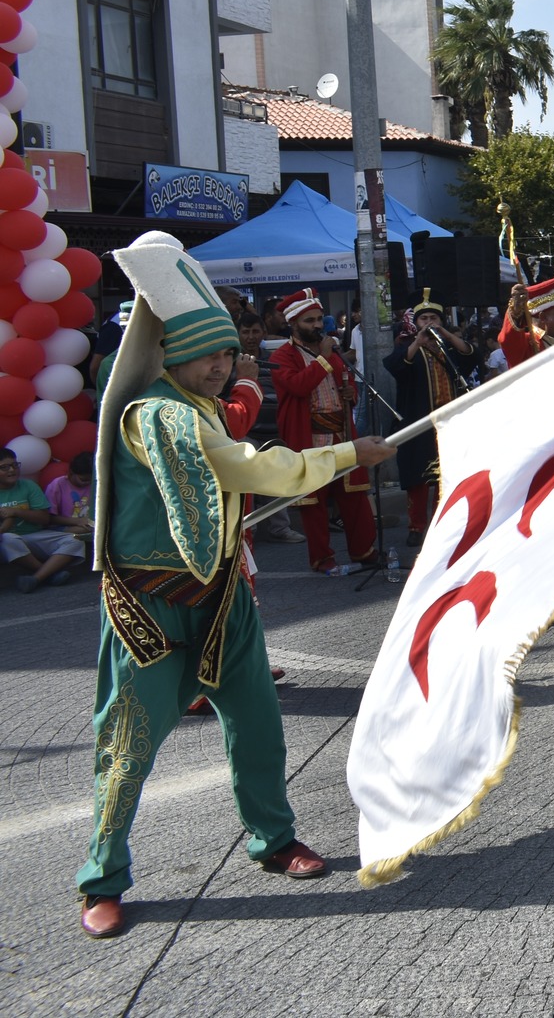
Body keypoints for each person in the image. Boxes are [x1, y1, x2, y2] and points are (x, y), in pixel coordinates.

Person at [76, 234, 395, 938]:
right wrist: (349, 453)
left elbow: (234, 474)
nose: (221, 366)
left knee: (257, 722)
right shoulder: (156, 413)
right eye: (208, 355)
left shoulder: (203, 406)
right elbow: (249, 468)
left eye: (228, 354)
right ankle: (101, 876)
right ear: (168, 354)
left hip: (221, 595)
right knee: (126, 745)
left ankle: (273, 837)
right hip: (147, 605)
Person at [270, 289, 379, 576]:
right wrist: (325, 358)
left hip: (341, 432)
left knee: (354, 496)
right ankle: (323, 559)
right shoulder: (283, 356)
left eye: (319, 319)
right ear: (294, 324)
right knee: (314, 503)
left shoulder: (330, 353)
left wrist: (349, 392)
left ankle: (364, 551)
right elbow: (297, 386)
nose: (318, 326)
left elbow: (349, 383)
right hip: (309, 437)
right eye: (310, 321)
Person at [382, 290, 475, 548]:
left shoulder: (448, 349)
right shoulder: (407, 346)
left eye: (434, 318)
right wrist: (417, 342)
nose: (429, 322)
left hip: (450, 424)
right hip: (419, 423)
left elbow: (470, 355)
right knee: (418, 478)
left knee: (444, 475)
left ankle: (441, 524)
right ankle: (416, 527)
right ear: (416, 323)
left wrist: (446, 335)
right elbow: (395, 366)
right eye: (424, 319)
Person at [3, 446, 87, 592]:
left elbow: (44, 518)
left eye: (14, 465)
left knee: (75, 541)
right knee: (8, 539)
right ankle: (48, 575)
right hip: (6, 541)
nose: (11, 470)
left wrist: (15, 512)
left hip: (34, 536)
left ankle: (36, 578)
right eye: (4, 467)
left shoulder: (28, 486)